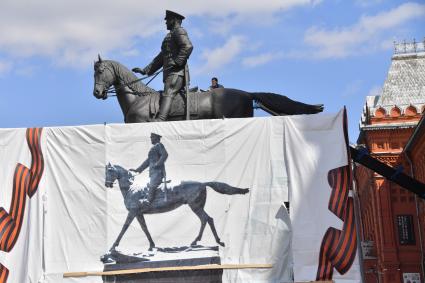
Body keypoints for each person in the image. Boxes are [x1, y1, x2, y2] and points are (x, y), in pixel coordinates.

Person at [132, 10, 193, 121]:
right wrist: (145, 70)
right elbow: (161, 58)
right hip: (170, 72)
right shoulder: (170, 35)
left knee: (168, 92)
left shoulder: (179, 31)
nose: (165, 23)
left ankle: (161, 119)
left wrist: (177, 61)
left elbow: (187, 46)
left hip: (176, 72)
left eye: (167, 20)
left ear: (173, 20)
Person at [131, 133, 168, 204]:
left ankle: (149, 201)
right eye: (151, 137)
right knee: (148, 185)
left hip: (158, 172)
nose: (151, 139)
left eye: (152, 137)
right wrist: (138, 169)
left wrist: (158, 163)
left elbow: (165, 155)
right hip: (153, 172)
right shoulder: (153, 148)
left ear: (156, 138)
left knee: (152, 185)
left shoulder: (159, 145)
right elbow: (148, 161)